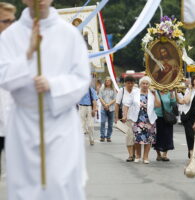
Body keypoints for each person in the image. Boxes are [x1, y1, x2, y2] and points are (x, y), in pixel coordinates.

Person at [0, 0, 91, 199]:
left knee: (59, 183)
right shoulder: (9, 36)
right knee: (25, 189)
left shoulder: (69, 34)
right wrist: (28, 55)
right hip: (23, 124)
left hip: (60, 125)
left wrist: (54, 85)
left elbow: (82, 78)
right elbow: (3, 76)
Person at [122, 76, 161, 164]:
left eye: (147, 84)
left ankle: (145, 157)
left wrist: (155, 95)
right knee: (137, 139)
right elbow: (126, 104)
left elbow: (158, 105)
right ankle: (138, 155)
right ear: (140, 84)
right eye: (143, 83)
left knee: (148, 139)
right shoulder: (135, 92)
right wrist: (125, 115)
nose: (145, 85)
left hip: (149, 120)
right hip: (137, 119)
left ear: (149, 85)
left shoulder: (152, 93)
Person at [0, 2, 16, 179]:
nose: (11, 26)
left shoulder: (16, 48)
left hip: (12, 120)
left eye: (13, 21)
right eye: (6, 21)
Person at [115, 75, 137, 162]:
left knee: (135, 137)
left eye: (132, 83)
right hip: (126, 117)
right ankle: (130, 155)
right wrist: (116, 116)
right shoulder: (122, 91)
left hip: (136, 117)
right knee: (129, 136)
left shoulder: (136, 91)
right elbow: (117, 104)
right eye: (128, 83)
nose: (130, 84)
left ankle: (135, 153)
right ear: (125, 83)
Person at [153, 90, 176, 161]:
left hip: (167, 118)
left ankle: (165, 154)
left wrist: (172, 94)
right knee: (157, 136)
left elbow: (174, 104)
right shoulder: (155, 92)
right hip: (156, 116)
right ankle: (158, 154)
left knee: (168, 135)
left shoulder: (169, 93)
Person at [99, 76, 116, 142]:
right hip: (103, 108)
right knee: (103, 122)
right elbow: (100, 97)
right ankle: (102, 136)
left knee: (110, 123)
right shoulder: (102, 89)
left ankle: (108, 136)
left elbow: (115, 98)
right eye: (106, 81)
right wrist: (105, 104)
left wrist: (108, 105)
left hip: (111, 108)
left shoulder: (113, 89)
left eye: (108, 81)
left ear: (111, 82)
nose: (107, 82)